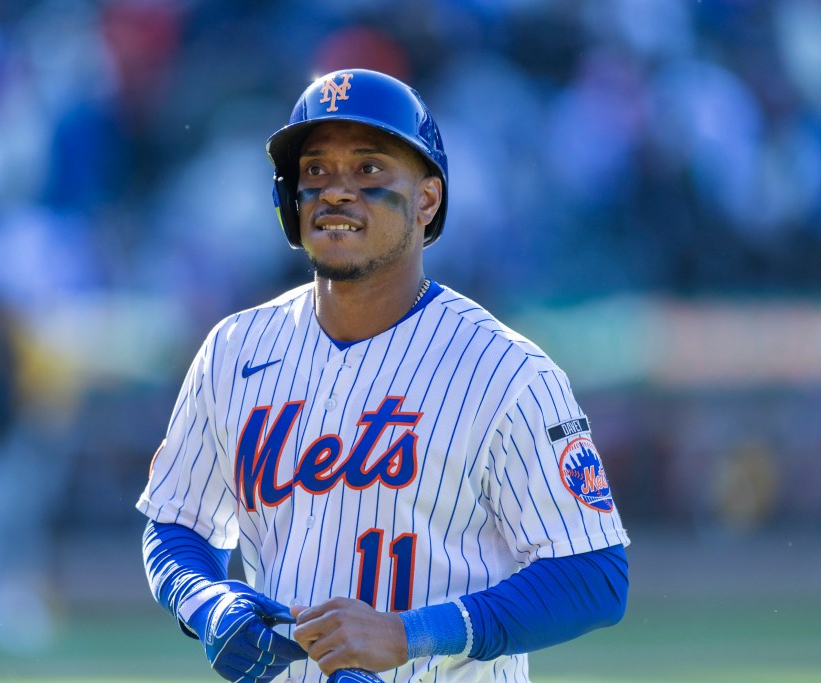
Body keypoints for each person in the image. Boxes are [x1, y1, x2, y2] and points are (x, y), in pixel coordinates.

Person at [137, 68, 631, 683]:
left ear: (427, 199)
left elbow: (594, 574)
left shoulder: (506, 372)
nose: (336, 192)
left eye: (368, 168)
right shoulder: (235, 350)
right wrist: (206, 603)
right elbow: (178, 520)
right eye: (316, 170)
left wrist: (410, 634)